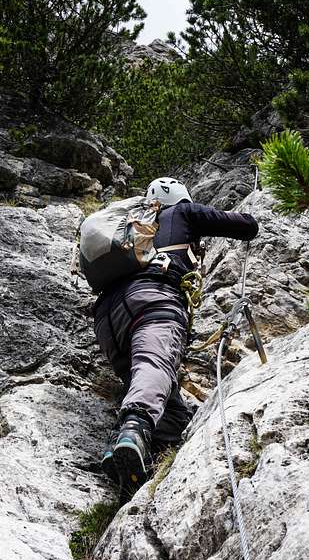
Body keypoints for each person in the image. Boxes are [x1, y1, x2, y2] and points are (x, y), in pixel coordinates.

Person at [92, 177, 259, 501]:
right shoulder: (182, 212)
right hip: (152, 298)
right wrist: (251, 219)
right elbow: (245, 226)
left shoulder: (134, 230)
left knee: (165, 403)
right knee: (155, 363)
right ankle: (134, 430)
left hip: (107, 319)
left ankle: (143, 471)